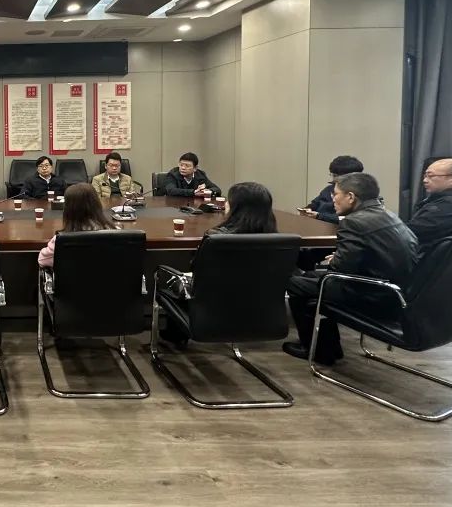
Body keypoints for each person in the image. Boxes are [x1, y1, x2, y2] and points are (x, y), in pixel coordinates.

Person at [283, 173, 419, 365]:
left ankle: (320, 351)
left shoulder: (353, 221)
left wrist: (336, 258)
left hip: (370, 294)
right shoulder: (388, 214)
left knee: (292, 282)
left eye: (335, 194)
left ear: (351, 197)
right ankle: (328, 347)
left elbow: (340, 269)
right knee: (311, 276)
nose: (332, 199)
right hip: (396, 292)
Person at [158, 182, 278, 344]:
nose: (226, 203)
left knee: (174, 279)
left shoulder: (216, 238)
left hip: (213, 301)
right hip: (256, 301)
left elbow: (197, 269)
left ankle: (176, 335)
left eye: (229, 201)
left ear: (236, 207)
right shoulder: (276, 239)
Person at [37, 183, 115, 268]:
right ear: (97, 203)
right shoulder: (116, 232)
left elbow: (42, 260)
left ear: (68, 208)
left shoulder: (62, 239)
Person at [298, 155, 364, 224]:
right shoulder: (329, 189)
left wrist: (319, 216)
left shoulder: (361, 195)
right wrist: (307, 210)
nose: (334, 179)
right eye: (333, 175)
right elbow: (314, 204)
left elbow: (349, 219)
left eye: (336, 176)